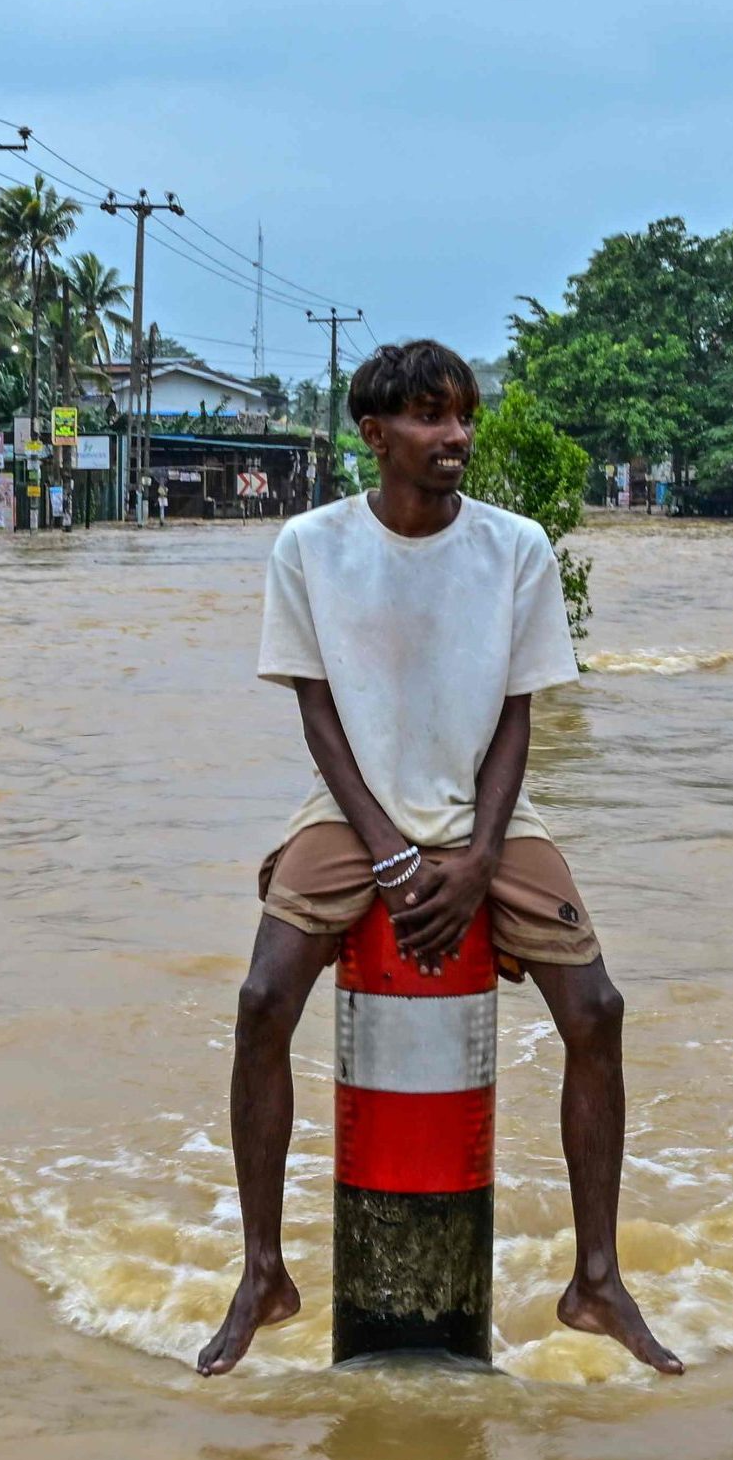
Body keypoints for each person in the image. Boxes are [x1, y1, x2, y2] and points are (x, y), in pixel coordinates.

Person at [201, 338, 680, 1378]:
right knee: (259, 998)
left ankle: (595, 1279)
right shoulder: (308, 546)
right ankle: (261, 1271)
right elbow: (318, 716)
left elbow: (516, 723)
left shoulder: (515, 548)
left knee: (596, 1008)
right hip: (348, 808)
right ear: (373, 436)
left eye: (461, 414)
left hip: (488, 811)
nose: (453, 435)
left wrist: (477, 860)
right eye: (427, 417)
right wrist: (383, 855)